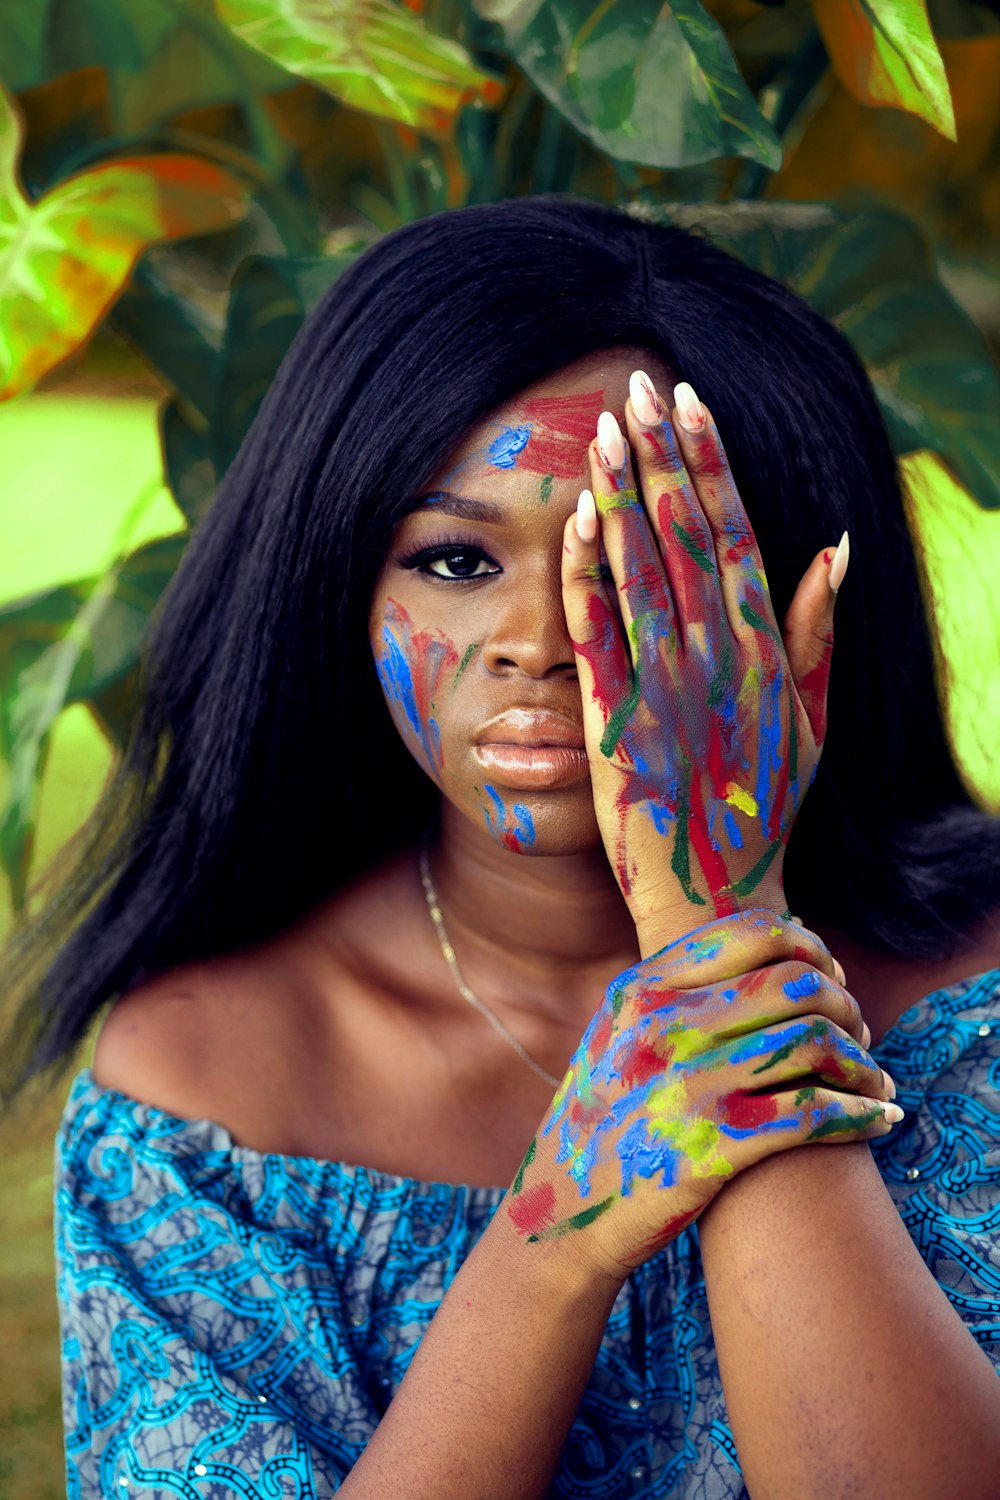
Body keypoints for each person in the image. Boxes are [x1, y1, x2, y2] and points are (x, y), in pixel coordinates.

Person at [4, 195, 999, 1497]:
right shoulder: (208, 1099)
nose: (539, 640)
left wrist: (720, 933)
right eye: (459, 560)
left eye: (636, 569)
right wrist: (559, 1242)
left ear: (801, 604)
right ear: (343, 580)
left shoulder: (976, 1004)